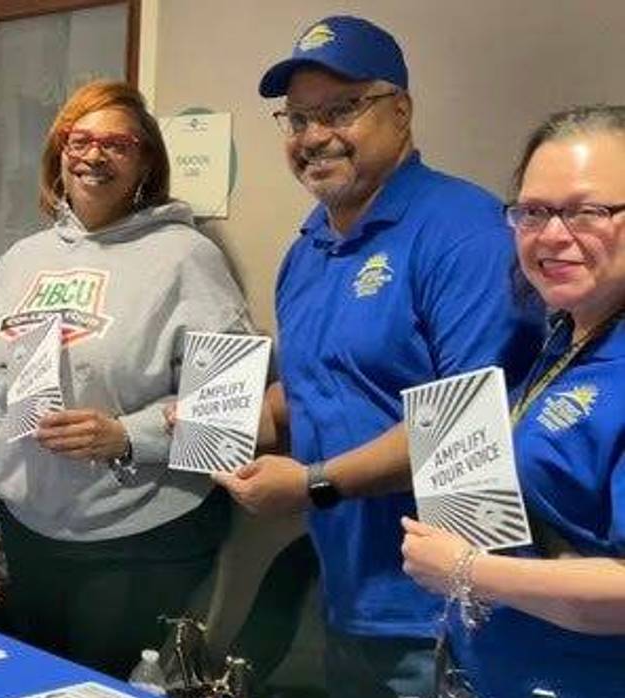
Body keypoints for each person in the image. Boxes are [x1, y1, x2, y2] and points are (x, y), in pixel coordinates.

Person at [210, 16, 544, 696]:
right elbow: (320, 390)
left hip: (446, 614)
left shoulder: (463, 233)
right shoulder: (307, 248)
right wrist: (201, 422)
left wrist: (310, 485)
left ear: (400, 111)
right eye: (298, 118)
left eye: (341, 109)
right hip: (345, 595)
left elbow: (464, 430)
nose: (313, 136)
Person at [0, 80, 252, 678]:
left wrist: (127, 435)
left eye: (118, 143)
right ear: (58, 153)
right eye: (79, 139)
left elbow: (228, 413)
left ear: (146, 160)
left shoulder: (188, 258)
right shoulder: (19, 262)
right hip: (30, 532)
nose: (94, 156)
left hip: (139, 540)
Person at [402, 105, 625, 698]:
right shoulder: (569, 332)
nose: (553, 235)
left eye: (588, 211)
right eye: (533, 212)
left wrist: (467, 572)